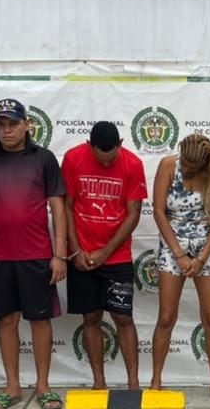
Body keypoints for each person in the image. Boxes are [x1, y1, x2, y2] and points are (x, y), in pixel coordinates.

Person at [0, 99, 67, 409]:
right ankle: (12, 387)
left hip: (37, 254)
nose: (7, 130)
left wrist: (60, 254)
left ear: (27, 125)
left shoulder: (44, 159)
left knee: (39, 319)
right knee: (7, 319)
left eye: (13, 124)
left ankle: (43, 386)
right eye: (1, 124)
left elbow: (58, 208)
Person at [62, 120, 147, 390]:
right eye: (101, 159)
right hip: (81, 255)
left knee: (123, 318)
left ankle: (133, 383)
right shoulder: (73, 158)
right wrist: (75, 251)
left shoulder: (133, 164)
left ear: (121, 144)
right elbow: (66, 207)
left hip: (117, 257)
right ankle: (99, 382)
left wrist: (106, 251)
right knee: (91, 318)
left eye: (112, 158)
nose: (107, 164)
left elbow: (133, 213)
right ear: (89, 145)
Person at [148, 133, 210, 400]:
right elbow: (158, 211)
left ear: (204, 163)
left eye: (191, 167)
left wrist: (202, 258)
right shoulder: (167, 165)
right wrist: (179, 254)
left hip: (206, 246)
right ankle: (156, 380)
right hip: (172, 244)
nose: (184, 168)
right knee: (166, 317)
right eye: (183, 162)